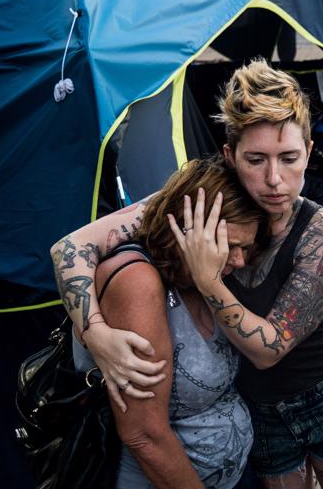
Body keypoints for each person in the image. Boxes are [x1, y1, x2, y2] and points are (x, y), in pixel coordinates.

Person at [52, 59, 323, 489]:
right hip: (262, 409)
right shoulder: (201, 202)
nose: (274, 179)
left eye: (290, 158)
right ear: (230, 156)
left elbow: (268, 349)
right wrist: (96, 332)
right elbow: (71, 247)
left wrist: (209, 281)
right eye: (256, 159)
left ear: (309, 152)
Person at [71, 157, 263, 488]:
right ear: (186, 230)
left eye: (246, 247)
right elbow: (143, 434)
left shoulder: (205, 276)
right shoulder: (138, 282)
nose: (240, 260)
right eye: (229, 246)